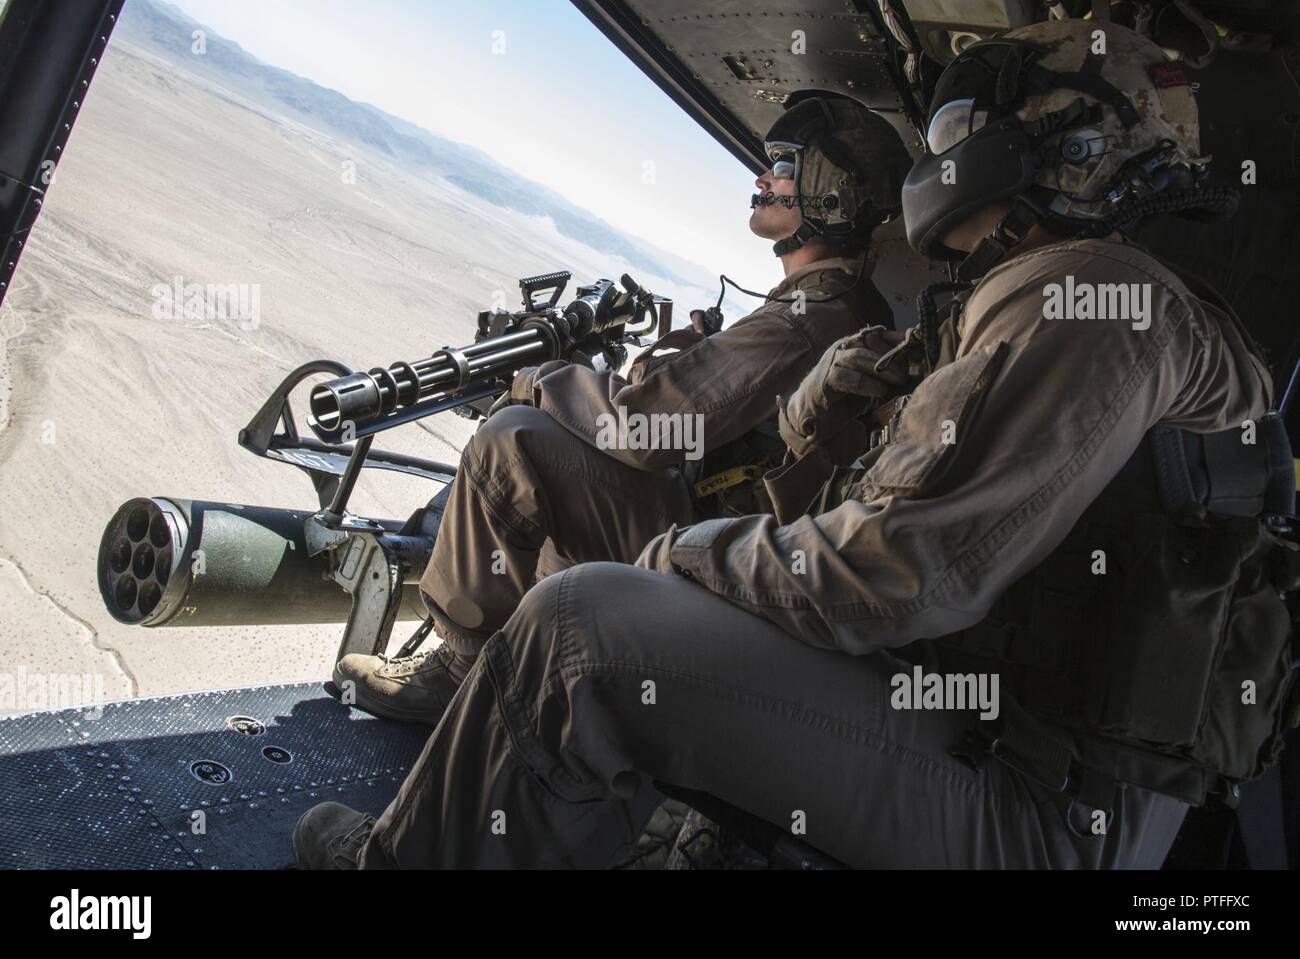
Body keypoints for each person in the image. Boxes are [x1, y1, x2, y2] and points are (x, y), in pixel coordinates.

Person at [294, 18, 1295, 869]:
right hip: (1005, 735)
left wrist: (682, 553)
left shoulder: (1087, 298)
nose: (942, 159)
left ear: (1053, 148)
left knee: (584, 628)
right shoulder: (1106, 304)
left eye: (961, 132)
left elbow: (903, 572)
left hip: (1042, 802)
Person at [334, 92, 913, 723]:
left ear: (831, 195)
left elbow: (645, 426)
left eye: (783, 166)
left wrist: (544, 380)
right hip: (732, 542)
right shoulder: (841, 306)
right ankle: (529, 662)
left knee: (514, 443)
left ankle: (460, 672)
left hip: (709, 552)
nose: (761, 178)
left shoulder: (809, 319)